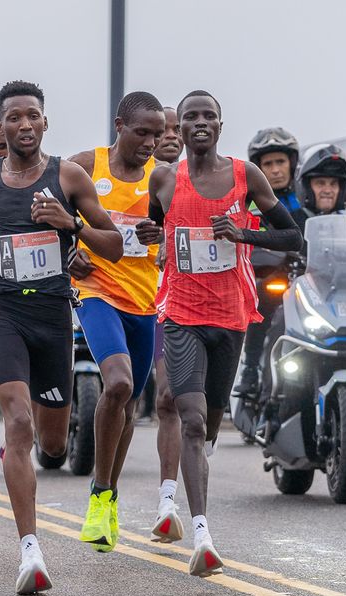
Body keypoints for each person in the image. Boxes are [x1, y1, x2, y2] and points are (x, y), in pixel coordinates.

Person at [0, 80, 123, 594]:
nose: (24, 125)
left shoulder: (67, 177)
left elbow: (112, 246)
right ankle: (30, 550)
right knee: (18, 420)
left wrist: (70, 223)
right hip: (0, 309)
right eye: (13, 117)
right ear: (0, 127)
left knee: (51, 442)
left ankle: (24, 458)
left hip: (52, 314)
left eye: (32, 116)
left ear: (45, 122)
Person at [136, 90, 302, 576]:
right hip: (181, 313)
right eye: (191, 117)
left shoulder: (245, 176)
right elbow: (155, 226)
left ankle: (196, 476)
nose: (200, 123)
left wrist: (243, 233)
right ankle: (202, 534)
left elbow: (292, 236)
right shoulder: (165, 179)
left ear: (220, 125)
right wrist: (154, 239)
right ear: (179, 129)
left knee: (208, 424)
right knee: (188, 420)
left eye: (209, 115)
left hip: (230, 316)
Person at [67, 91, 165, 553]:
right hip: (95, 289)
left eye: (158, 134)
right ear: (119, 125)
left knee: (127, 406)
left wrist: (160, 233)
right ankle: (99, 493)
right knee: (119, 384)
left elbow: (182, 231)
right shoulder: (87, 164)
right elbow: (43, 214)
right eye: (142, 132)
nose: (150, 142)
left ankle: (109, 493)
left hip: (144, 298)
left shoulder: (161, 178)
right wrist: (69, 256)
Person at [257, 143, 346, 417]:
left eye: (334, 183)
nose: (327, 189)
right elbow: (267, 247)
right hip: (300, 299)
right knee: (277, 320)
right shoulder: (290, 219)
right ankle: (267, 395)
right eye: (320, 182)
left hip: (339, 303)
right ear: (306, 186)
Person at [235, 127, 301, 396]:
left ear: (292, 164)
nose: (275, 170)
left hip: (305, 284)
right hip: (266, 280)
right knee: (262, 298)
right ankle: (250, 368)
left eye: (280, 162)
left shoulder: (304, 204)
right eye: (268, 164)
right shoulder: (248, 206)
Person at [150, 104, 185, 544]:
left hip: (174, 302)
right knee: (119, 397)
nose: (172, 136)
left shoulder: (204, 181)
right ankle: (106, 493)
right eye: (164, 130)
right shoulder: (129, 181)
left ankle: (167, 501)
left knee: (170, 399)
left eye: (177, 129)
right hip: (124, 300)